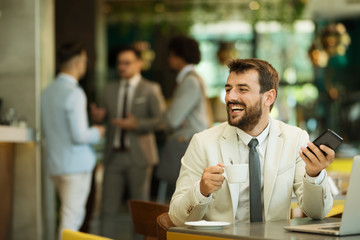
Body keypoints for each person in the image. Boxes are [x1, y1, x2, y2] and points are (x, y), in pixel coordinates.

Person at [168, 58, 334, 226]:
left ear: (269, 97)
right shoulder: (202, 142)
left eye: (242, 89)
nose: (230, 97)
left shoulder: (295, 139)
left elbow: (317, 212)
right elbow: (176, 218)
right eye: (228, 89)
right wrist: (201, 191)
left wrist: (314, 175)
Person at [90, 46, 165, 238]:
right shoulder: (109, 89)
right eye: (119, 63)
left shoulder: (150, 89)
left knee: (139, 211)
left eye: (127, 63)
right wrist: (98, 117)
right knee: (107, 208)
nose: (122, 67)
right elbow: (104, 120)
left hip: (139, 157)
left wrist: (137, 124)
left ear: (139, 63)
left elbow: (161, 120)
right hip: (113, 156)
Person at [41, 42, 105, 240]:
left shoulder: (46, 92)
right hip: (75, 167)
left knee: (66, 217)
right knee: (71, 221)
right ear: (78, 63)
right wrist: (97, 131)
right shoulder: (75, 93)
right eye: (85, 61)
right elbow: (80, 136)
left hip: (55, 165)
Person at [155, 35, 210, 196]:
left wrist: (168, 116)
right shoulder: (193, 79)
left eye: (172, 55)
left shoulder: (189, 81)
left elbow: (172, 119)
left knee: (179, 195)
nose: (169, 59)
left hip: (184, 143)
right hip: (186, 141)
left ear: (180, 56)